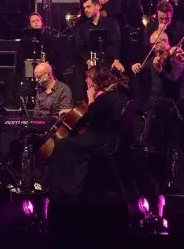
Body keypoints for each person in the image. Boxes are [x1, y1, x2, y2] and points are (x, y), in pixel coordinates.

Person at [48, 66, 128, 195]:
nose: (86, 81)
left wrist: (91, 98)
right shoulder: (116, 95)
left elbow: (92, 118)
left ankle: (64, 186)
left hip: (102, 140)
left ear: (96, 81)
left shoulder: (104, 98)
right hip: (112, 138)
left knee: (62, 143)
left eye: (88, 78)